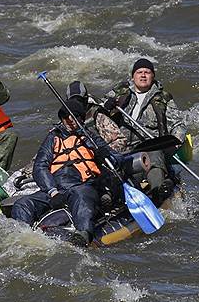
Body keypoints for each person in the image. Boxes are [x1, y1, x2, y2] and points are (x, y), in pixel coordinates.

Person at [10, 98, 123, 247]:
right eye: (66, 118)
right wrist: (52, 191)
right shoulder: (53, 138)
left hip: (83, 185)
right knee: (23, 204)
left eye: (74, 117)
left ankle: (83, 235)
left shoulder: (91, 138)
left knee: (82, 197)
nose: (70, 121)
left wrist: (104, 153)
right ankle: (23, 238)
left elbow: (117, 159)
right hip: (57, 188)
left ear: (81, 119)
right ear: (62, 119)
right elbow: (40, 167)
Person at [101, 57, 187, 203]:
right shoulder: (119, 92)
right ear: (133, 76)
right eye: (139, 72)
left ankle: (158, 192)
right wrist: (105, 107)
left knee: (153, 156)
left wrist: (176, 141)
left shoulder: (163, 98)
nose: (143, 75)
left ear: (152, 76)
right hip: (122, 146)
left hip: (150, 145)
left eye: (147, 72)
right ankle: (109, 195)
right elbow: (97, 111)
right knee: (109, 162)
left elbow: (178, 124)